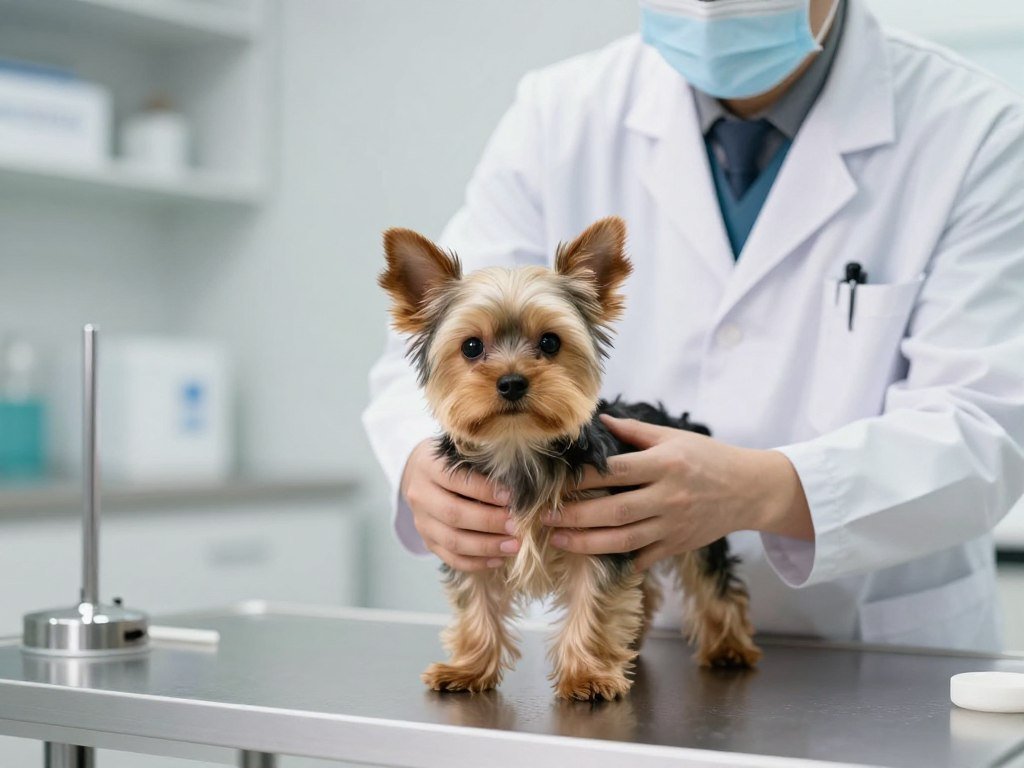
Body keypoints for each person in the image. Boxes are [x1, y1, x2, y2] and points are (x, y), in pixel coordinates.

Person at [363, 0, 1024, 651]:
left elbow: (986, 422)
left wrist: (766, 491)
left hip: (876, 649)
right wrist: (423, 464)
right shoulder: (557, 113)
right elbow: (428, 342)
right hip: (622, 647)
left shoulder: (977, 129)